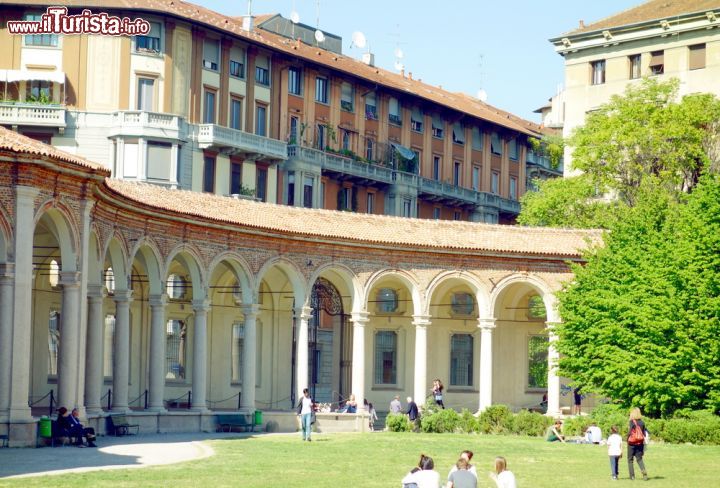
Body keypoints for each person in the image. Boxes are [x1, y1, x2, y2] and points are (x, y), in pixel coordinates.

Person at [627, 407, 649, 481]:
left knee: (630, 460)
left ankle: (632, 477)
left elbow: (630, 432)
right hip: (640, 443)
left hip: (631, 443)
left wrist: (627, 439)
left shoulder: (631, 422)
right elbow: (643, 434)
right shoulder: (642, 422)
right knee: (639, 459)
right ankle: (644, 472)